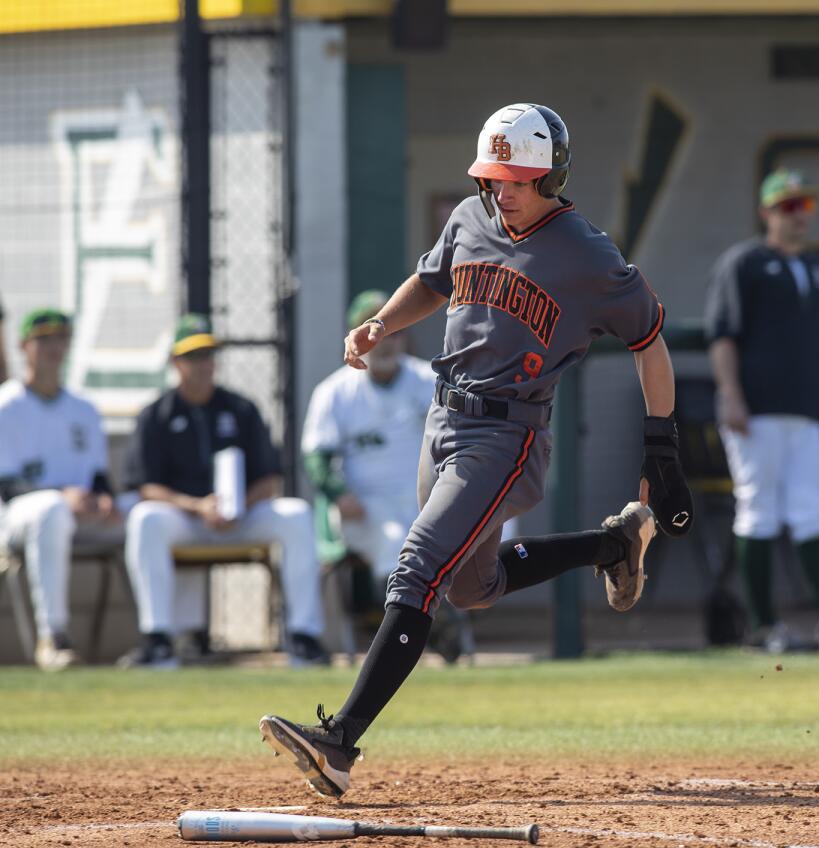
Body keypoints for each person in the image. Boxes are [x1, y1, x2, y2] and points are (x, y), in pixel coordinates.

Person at [259, 102, 693, 797]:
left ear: (552, 176)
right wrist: (378, 324)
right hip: (444, 424)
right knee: (471, 587)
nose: (503, 190)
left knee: (418, 564)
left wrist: (660, 445)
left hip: (507, 435)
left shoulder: (585, 253)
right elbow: (433, 282)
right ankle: (611, 547)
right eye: (495, 177)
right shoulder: (469, 216)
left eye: (519, 178)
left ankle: (339, 742)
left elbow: (649, 342)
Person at [705, 168, 819, 652]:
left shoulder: (817, 269)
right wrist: (731, 395)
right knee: (758, 510)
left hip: (805, 411)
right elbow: (722, 334)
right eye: (788, 206)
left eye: (804, 206)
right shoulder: (743, 263)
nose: (798, 216)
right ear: (766, 212)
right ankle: (764, 625)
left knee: (813, 512)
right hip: (755, 409)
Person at [120, 314, 328, 668]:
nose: (202, 366)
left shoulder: (241, 409)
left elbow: (269, 479)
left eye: (207, 356)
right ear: (175, 362)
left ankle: (304, 636)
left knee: (296, 514)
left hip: (240, 518)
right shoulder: (157, 414)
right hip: (186, 520)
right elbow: (145, 486)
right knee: (144, 519)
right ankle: (159, 639)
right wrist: (198, 506)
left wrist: (238, 507)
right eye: (192, 357)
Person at [302, 290, 474, 662]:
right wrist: (338, 493)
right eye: (375, 333)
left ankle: (428, 625)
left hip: (420, 501)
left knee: (482, 522)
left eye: (393, 333)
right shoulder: (334, 392)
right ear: (355, 336)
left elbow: (459, 438)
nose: (385, 343)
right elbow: (316, 456)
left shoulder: (426, 379)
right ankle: (430, 626)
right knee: (398, 541)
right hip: (362, 508)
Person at [0, 309, 122, 670]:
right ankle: (53, 636)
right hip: (19, 518)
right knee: (50, 509)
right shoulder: (6, 405)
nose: (54, 347)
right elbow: (6, 485)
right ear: (24, 346)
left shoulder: (83, 409)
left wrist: (103, 499)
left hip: (80, 516)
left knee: (145, 515)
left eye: (60, 339)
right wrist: (64, 495)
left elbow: (99, 476)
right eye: (43, 339)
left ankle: (163, 641)